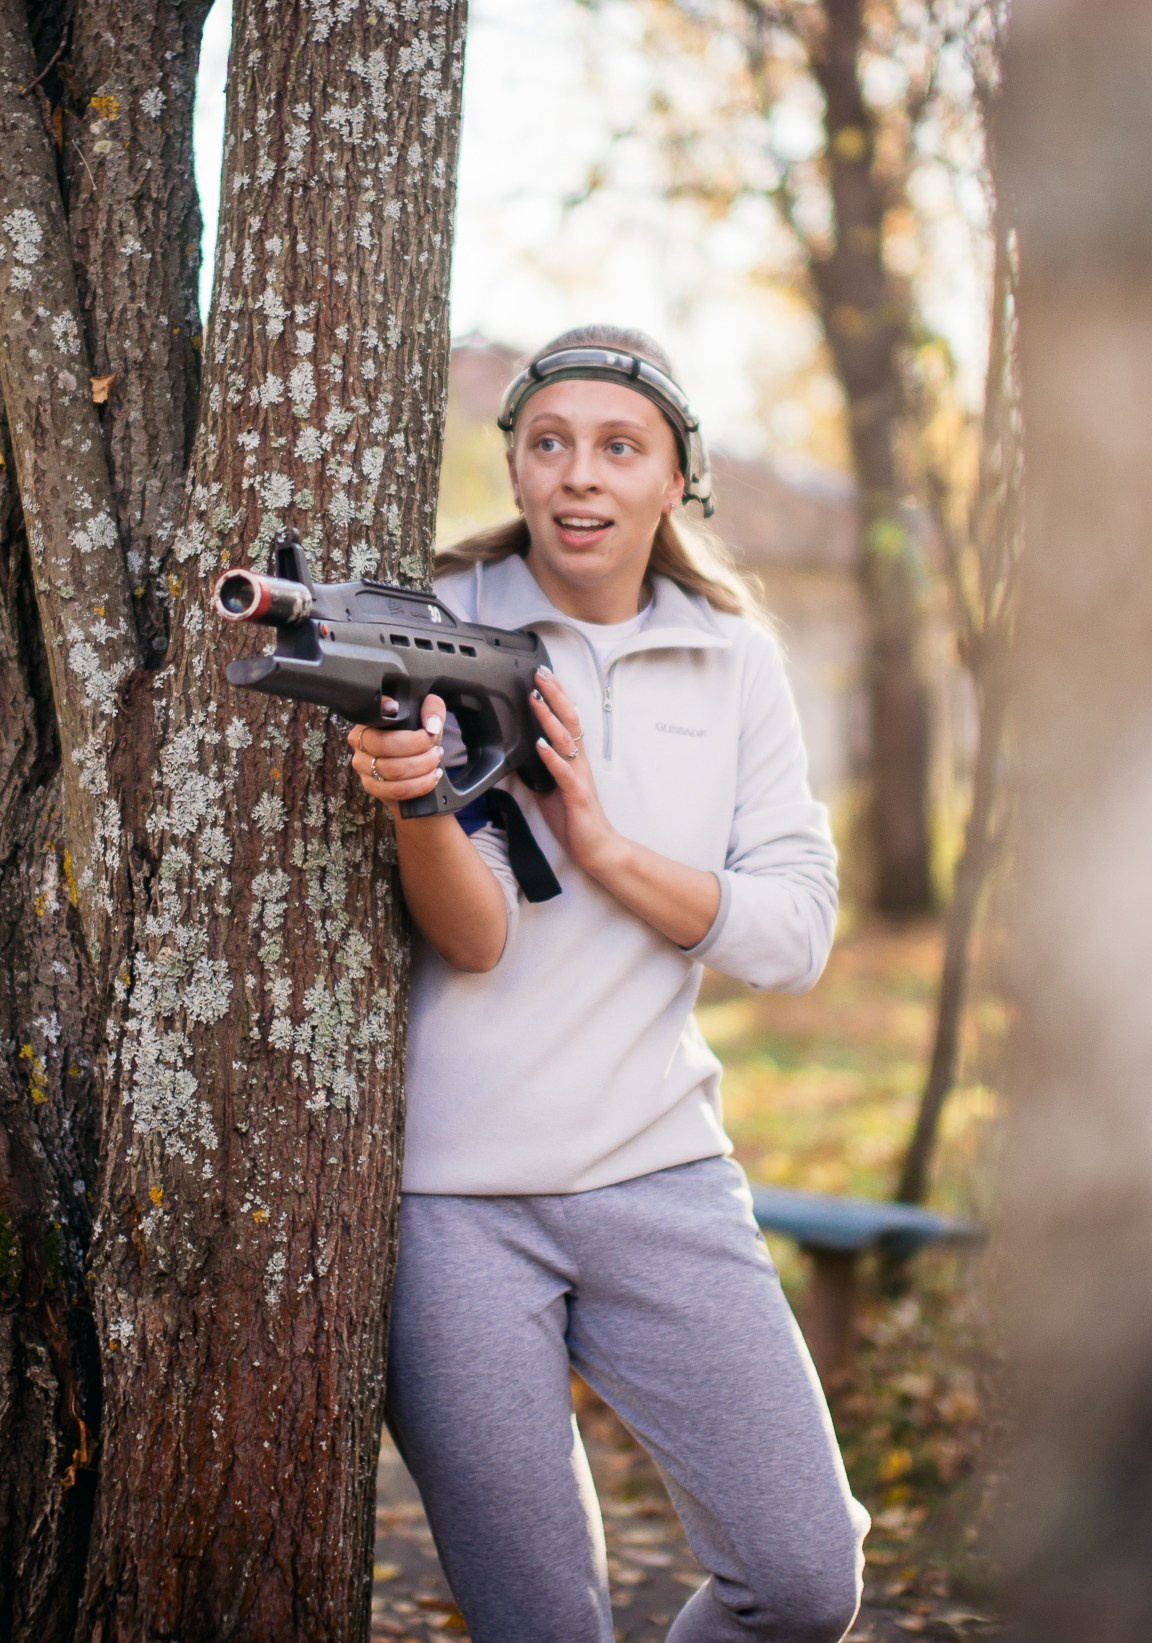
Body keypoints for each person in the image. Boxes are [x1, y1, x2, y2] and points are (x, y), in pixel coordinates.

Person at [347, 326, 866, 1641]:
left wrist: (609, 851)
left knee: (805, 1582)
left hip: (661, 1172)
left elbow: (793, 936)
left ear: (673, 478)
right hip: (454, 1207)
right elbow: (474, 942)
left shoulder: (731, 657)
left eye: (617, 447)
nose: (580, 477)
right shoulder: (438, 625)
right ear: (516, 467)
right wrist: (420, 805)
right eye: (549, 444)